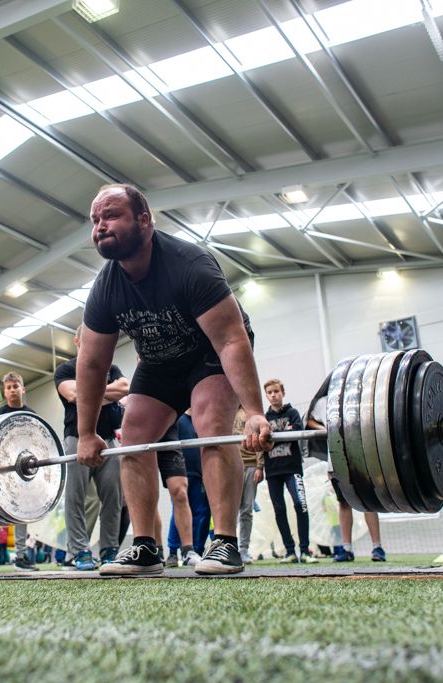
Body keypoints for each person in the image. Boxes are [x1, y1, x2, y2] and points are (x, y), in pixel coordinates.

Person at [76, 183, 271, 576]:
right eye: (96, 220)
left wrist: (253, 411)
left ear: (144, 221)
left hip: (209, 353)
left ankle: (225, 543)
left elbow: (231, 340)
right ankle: (146, 548)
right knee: (133, 434)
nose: (100, 226)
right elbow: (92, 364)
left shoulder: (189, 264)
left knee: (210, 423)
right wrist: (85, 434)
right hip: (161, 360)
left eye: (111, 215)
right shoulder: (106, 288)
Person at [55, 325, 127, 570]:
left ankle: (109, 550)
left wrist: (90, 392)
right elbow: (73, 395)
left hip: (108, 440)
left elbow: (126, 389)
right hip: (76, 439)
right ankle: (79, 551)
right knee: (75, 497)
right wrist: (108, 394)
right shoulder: (65, 369)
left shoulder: (111, 368)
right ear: (77, 341)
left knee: (113, 497)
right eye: (84, 338)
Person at [304, 381, 386, 562]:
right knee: (343, 503)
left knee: (368, 502)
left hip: (361, 457)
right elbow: (309, 419)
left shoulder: (357, 399)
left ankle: (377, 548)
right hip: (336, 460)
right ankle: (346, 549)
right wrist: (324, 429)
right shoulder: (323, 402)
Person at [254, 379, 317, 564]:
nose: (273, 395)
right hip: (273, 471)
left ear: (283, 393)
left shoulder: (293, 413)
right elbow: (262, 442)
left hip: (292, 469)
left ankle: (305, 551)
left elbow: (296, 430)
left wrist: (273, 437)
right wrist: (282, 434)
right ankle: (290, 551)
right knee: (279, 510)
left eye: (276, 391)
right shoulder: (264, 419)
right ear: (266, 396)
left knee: (300, 504)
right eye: (270, 392)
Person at [0, 372, 38, 572]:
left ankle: (21, 557)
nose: (13, 390)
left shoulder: (31, 415)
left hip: (23, 471)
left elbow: (38, 442)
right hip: (0, 471)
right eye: (9, 387)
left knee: (22, 512)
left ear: (23, 389)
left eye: (16, 386)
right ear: (5, 392)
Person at [165, 412, 211, 566]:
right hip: (180, 473)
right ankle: (172, 552)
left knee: (199, 513)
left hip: (199, 475)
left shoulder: (200, 420)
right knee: (177, 511)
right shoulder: (178, 419)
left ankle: (195, 551)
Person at [233, 407, 258, 564]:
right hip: (232, 464)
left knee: (247, 510)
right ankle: (230, 547)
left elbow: (259, 436)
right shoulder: (226, 409)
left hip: (251, 465)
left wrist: (260, 466)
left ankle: (243, 550)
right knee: (231, 510)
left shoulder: (250, 411)